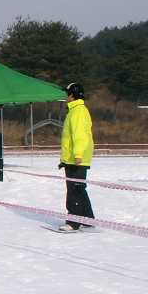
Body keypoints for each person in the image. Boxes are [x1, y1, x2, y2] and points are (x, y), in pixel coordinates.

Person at [58, 83, 95, 231]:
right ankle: (87, 218)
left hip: (77, 159)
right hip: (71, 158)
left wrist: (78, 155)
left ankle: (73, 221)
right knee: (79, 188)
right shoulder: (75, 111)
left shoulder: (78, 112)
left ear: (71, 95)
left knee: (75, 190)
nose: (65, 96)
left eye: (66, 93)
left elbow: (80, 136)